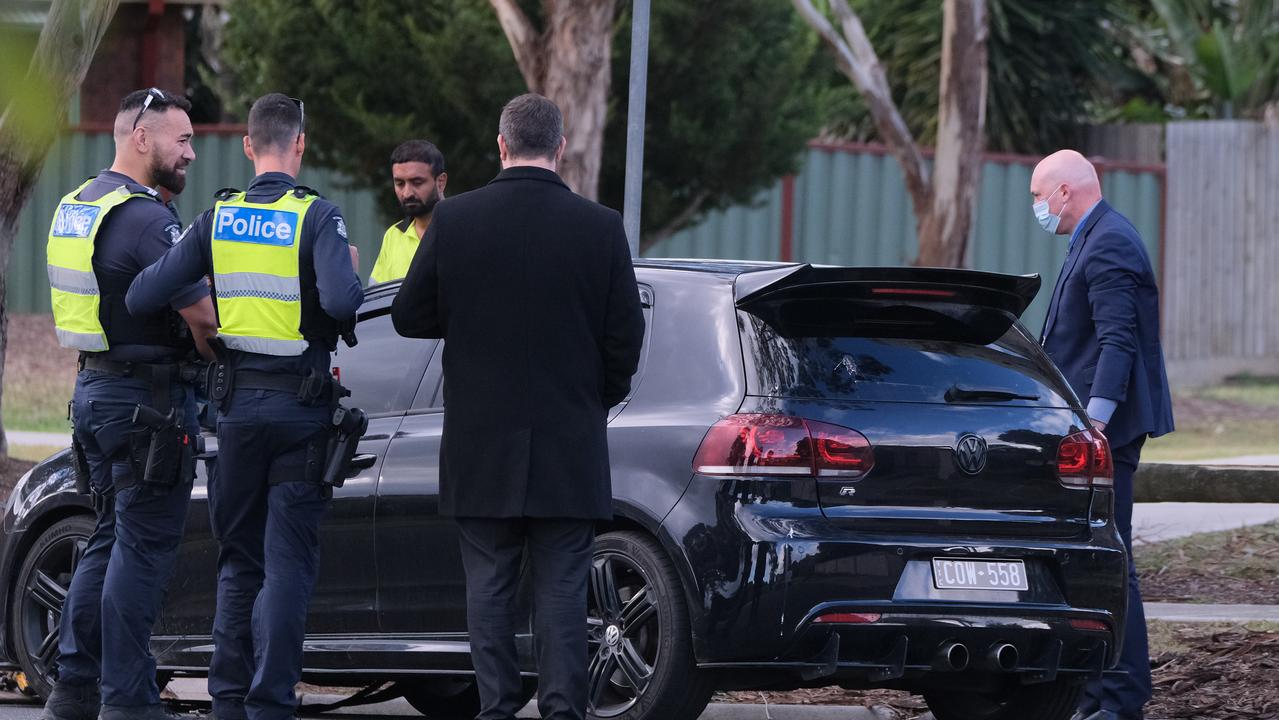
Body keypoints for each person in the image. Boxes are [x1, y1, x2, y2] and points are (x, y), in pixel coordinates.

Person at [390, 93, 645, 720]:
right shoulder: (600, 226)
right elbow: (625, 341)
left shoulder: (457, 220)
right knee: (562, 592)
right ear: (560, 148)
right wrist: (591, 400)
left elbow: (406, 314)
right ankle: (564, 712)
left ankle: (497, 709)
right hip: (569, 442)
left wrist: (468, 323)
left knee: (490, 587)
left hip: (481, 441)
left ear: (501, 145)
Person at [126, 93, 364, 720]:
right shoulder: (317, 217)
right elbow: (344, 303)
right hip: (301, 415)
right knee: (288, 565)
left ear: (248, 146)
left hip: (234, 415)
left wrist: (207, 291)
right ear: (301, 144)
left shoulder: (215, 218)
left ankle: (227, 698)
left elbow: (144, 292)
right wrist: (343, 276)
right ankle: (271, 703)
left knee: (239, 561)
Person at [41, 87, 216, 720]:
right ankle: (129, 701)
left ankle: (74, 688)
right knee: (141, 550)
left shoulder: (78, 202)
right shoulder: (147, 217)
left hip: (94, 392)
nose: (192, 153)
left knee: (108, 541)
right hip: (150, 403)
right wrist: (218, 356)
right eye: (183, 139)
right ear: (141, 138)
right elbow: (201, 313)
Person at [1031, 149, 1175, 720]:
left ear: (1067, 191)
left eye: (1040, 195)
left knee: (1112, 563)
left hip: (1104, 439)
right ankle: (1095, 694)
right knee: (1094, 561)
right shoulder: (1092, 237)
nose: (1037, 207)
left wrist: (1094, 424)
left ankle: (1118, 698)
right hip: (1090, 435)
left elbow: (1119, 342)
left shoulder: (1111, 240)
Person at [369, 139, 448, 284]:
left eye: (417, 182)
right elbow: (377, 300)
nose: (407, 193)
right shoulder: (393, 235)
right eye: (399, 183)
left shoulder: (464, 228)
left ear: (440, 182)